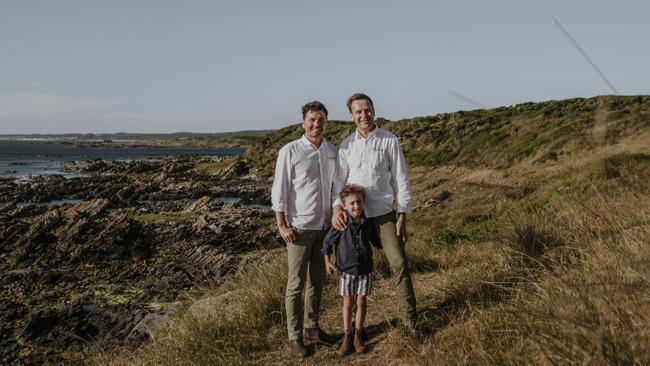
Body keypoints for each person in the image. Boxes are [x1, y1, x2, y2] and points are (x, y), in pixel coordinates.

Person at [331, 93, 418, 331]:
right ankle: (353, 331)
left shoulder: (389, 140)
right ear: (351, 116)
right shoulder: (346, 145)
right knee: (351, 271)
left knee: (399, 263)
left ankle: (410, 321)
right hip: (354, 219)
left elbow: (401, 180)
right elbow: (338, 184)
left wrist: (402, 215)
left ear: (374, 110)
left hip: (381, 215)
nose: (363, 115)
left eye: (367, 110)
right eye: (358, 111)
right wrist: (336, 207)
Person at [271, 100, 338, 357]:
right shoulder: (289, 151)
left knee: (317, 283)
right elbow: (280, 191)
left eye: (320, 119)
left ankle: (313, 328)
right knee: (295, 285)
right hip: (298, 230)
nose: (316, 123)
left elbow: (334, 188)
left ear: (326, 122)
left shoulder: (331, 151)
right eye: (311, 119)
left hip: (323, 228)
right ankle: (294, 337)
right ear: (303, 122)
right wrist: (282, 225)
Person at [322, 184, 381, 355]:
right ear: (344, 206)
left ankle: (358, 333)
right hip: (346, 270)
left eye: (359, 202)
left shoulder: (368, 222)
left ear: (363, 202)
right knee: (348, 303)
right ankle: (347, 334)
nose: (356, 206)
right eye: (352, 203)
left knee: (361, 301)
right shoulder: (342, 223)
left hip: (365, 269)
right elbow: (327, 243)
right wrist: (327, 262)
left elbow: (377, 241)